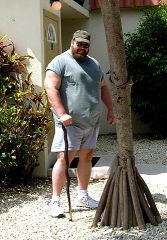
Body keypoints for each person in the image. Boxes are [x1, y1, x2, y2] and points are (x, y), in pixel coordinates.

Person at [44, 30, 115, 218]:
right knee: (64, 159)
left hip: (91, 122)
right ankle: (55, 201)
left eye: (86, 45)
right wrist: (61, 113)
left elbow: (103, 87)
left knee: (87, 156)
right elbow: (50, 87)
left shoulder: (94, 64)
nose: (82, 48)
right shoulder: (60, 62)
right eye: (79, 44)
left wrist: (110, 109)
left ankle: (83, 196)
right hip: (70, 123)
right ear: (72, 42)